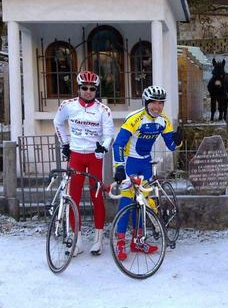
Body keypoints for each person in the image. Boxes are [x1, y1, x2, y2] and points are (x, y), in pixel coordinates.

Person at [112, 85, 182, 261]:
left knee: (142, 204)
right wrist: (119, 167)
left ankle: (137, 240)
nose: (157, 107)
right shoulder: (135, 119)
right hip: (130, 163)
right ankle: (120, 242)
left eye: (161, 103)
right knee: (127, 202)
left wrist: (178, 140)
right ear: (146, 102)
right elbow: (118, 144)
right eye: (154, 103)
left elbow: (170, 145)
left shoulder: (163, 120)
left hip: (145, 164)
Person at [54, 70, 114, 256]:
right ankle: (77, 241)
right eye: (84, 88)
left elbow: (109, 133)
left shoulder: (103, 110)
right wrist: (65, 144)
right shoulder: (68, 106)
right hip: (76, 156)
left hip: (94, 157)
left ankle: (98, 240)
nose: (88, 91)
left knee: (97, 197)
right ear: (79, 88)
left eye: (92, 88)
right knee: (74, 198)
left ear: (96, 90)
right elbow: (57, 122)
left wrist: (103, 147)